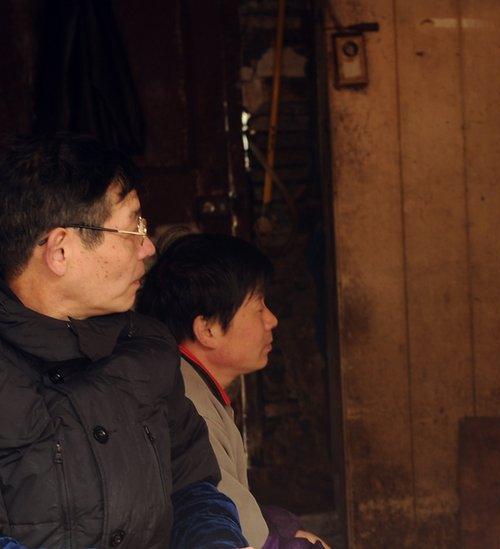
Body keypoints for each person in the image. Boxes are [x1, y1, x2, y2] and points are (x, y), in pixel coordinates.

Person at [0, 133, 250, 548]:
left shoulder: (147, 346)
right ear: (60, 250)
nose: (148, 247)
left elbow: (192, 488)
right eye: (134, 227)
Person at [136, 233, 330, 549]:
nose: (272, 319)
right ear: (207, 329)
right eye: (258, 308)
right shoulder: (188, 404)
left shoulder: (193, 384)